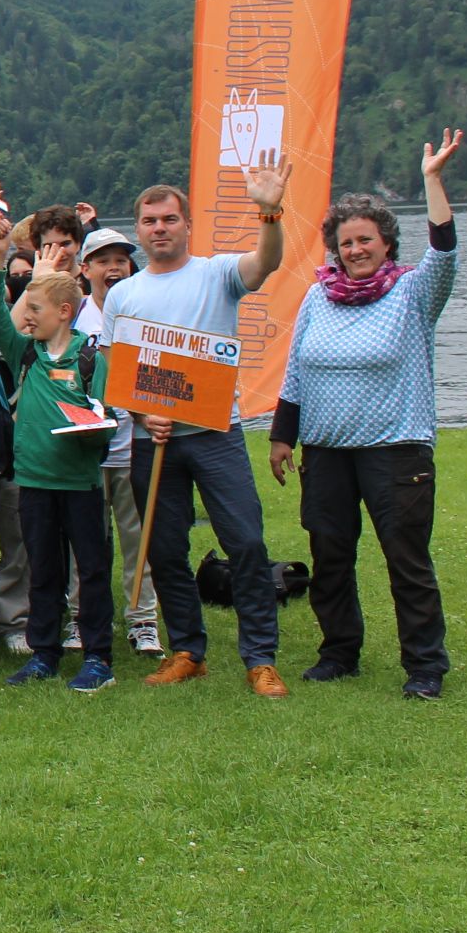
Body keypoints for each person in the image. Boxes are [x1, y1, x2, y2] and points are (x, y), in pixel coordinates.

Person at [271, 130, 464, 700]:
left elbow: (445, 252)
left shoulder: (414, 293)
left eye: (366, 240)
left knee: (406, 559)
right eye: (345, 241)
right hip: (326, 452)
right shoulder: (316, 296)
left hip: (396, 450)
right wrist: (283, 437)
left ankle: (425, 666)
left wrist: (432, 180)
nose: (355, 249)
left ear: (387, 243)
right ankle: (339, 653)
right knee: (329, 556)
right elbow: (296, 371)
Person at [106, 158, 294, 697]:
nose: (159, 228)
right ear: (139, 230)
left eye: (168, 219)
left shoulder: (217, 273)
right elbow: (117, 375)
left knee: (247, 542)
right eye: (149, 222)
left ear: (187, 224)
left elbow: (266, 263)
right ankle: (189, 649)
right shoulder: (124, 295)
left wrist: (270, 210)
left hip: (216, 434)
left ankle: (260, 658)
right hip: (153, 441)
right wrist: (142, 414)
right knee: (165, 550)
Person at [0, 225, 116, 692]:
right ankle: (44, 654)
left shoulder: (92, 359)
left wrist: (91, 429)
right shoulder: (26, 353)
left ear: (64, 312)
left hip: (79, 484)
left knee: (92, 571)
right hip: (34, 482)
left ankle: (98, 658)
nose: (27, 317)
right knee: (44, 569)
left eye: (35, 309)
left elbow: (104, 422)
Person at [75, 226, 161, 655]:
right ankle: (78, 618)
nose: (113, 267)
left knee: (137, 539)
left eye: (120, 260)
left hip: (134, 445)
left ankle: (142, 620)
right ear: (85, 268)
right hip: (85, 450)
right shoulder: (72, 314)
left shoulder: (146, 311)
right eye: (103, 260)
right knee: (83, 542)